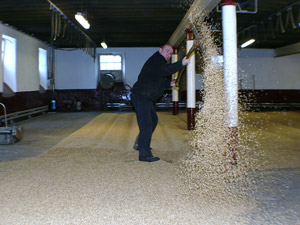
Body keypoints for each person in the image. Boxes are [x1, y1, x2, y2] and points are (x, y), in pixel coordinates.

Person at [131, 44, 190, 162]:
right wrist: (180, 64)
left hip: (145, 97)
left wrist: (169, 84)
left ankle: (140, 144)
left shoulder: (158, 63)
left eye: (170, 53)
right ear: (160, 50)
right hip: (141, 96)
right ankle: (145, 155)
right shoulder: (156, 60)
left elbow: (156, 80)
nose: (168, 54)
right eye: (166, 51)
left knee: (153, 120)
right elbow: (164, 71)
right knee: (146, 125)